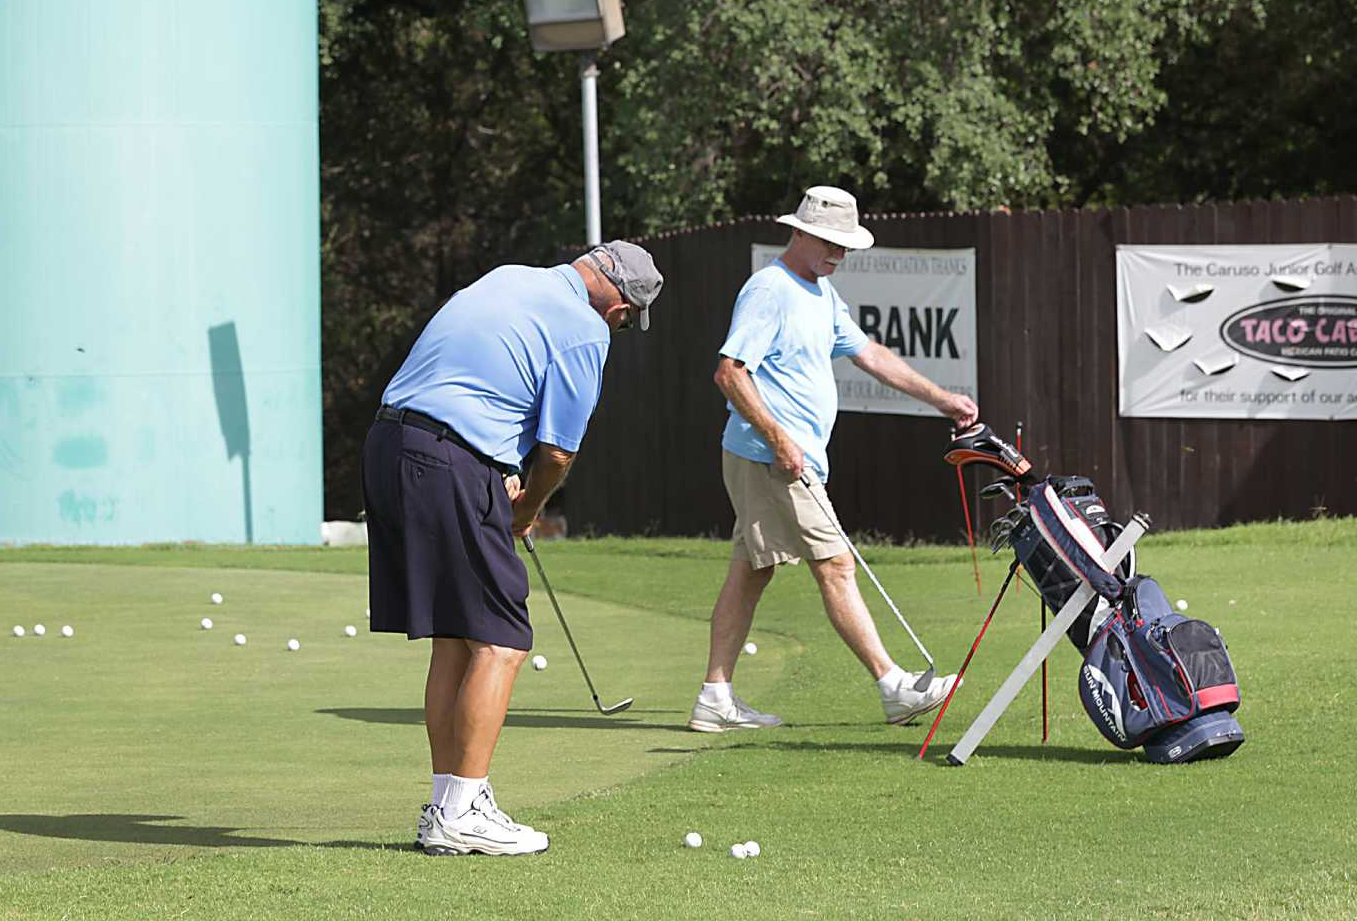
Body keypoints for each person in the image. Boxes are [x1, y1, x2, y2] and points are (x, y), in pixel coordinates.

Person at [366, 240, 662, 856]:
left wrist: (492, 460)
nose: (621, 324)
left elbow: (478, 377)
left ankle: (447, 805)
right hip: (446, 458)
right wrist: (525, 508)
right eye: (628, 315)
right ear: (617, 301)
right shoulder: (586, 328)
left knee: (457, 634)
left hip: (391, 444)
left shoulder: (509, 276)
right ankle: (463, 809)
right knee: (503, 640)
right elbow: (557, 452)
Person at [689, 186, 980, 733]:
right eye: (829, 242)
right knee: (837, 564)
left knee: (753, 569)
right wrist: (778, 439)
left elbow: (868, 353)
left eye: (845, 246)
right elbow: (730, 372)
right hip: (770, 458)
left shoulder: (821, 293)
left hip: (780, 457)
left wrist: (940, 398)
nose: (838, 254)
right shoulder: (770, 290)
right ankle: (893, 686)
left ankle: (715, 697)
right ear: (798, 232)